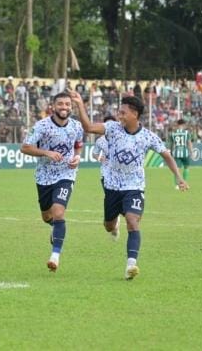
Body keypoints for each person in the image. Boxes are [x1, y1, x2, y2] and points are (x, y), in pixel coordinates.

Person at [71, 91, 189, 280]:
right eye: (119, 112)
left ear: (134, 114)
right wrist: (79, 104)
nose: (120, 115)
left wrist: (179, 177)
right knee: (108, 226)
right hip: (111, 186)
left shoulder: (148, 136)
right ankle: (114, 225)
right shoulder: (112, 128)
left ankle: (131, 265)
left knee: (133, 222)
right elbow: (88, 127)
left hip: (134, 186)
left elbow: (166, 155)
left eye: (123, 112)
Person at [20, 92, 84, 273]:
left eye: (67, 104)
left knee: (58, 212)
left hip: (66, 174)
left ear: (71, 107)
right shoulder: (42, 126)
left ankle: (55, 256)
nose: (64, 107)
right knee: (47, 216)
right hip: (44, 176)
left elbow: (79, 144)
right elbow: (25, 147)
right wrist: (47, 153)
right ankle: (56, 228)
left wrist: (77, 157)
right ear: (53, 106)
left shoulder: (76, 126)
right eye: (61, 104)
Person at [92, 115, 120, 241]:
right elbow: (94, 153)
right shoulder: (100, 141)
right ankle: (114, 222)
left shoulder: (122, 138)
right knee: (110, 197)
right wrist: (99, 158)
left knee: (119, 197)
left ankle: (115, 220)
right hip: (106, 174)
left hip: (120, 174)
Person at [168, 119, 194, 189]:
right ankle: (184, 183)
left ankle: (177, 185)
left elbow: (172, 145)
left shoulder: (173, 133)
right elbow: (189, 143)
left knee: (176, 169)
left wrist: (171, 152)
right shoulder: (186, 133)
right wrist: (192, 152)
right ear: (183, 125)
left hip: (176, 153)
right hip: (185, 153)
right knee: (186, 167)